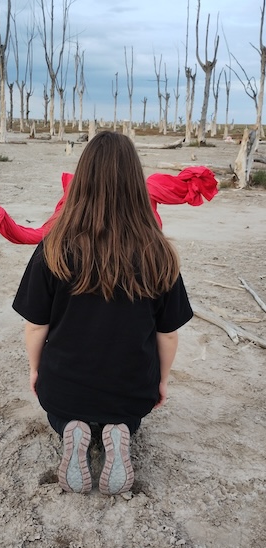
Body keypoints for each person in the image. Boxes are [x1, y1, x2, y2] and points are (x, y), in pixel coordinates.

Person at [12, 131, 193, 496]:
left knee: (58, 412)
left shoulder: (54, 247)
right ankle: (119, 429)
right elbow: (168, 334)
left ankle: (70, 429)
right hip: (130, 389)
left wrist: (35, 370)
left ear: (82, 182)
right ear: (135, 185)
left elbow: (35, 327)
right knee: (130, 414)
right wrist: (160, 382)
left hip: (63, 385)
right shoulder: (158, 252)